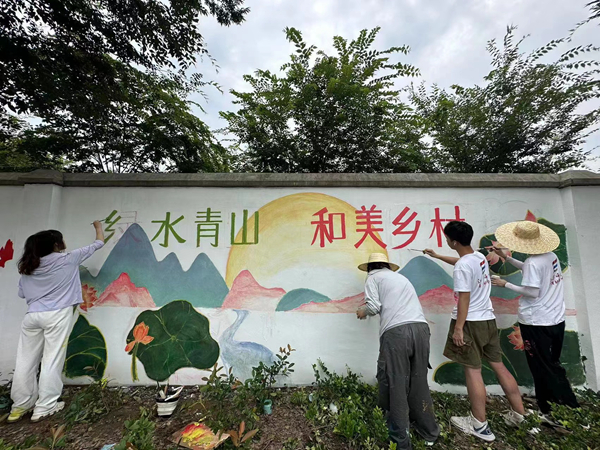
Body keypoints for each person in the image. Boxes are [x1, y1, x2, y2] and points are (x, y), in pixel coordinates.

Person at [424, 221, 526, 443]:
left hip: (470, 323)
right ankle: (519, 414)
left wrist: (458, 328)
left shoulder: (463, 266)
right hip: (488, 320)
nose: (446, 241)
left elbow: (464, 298)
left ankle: (479, 424)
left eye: (447, 239)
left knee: (473, 371)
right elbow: (462, 262)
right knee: (499, 366)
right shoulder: (478, 257)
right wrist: (437, 256)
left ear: (454, 242)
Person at [8, 222, 105, 423]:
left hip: (32, 316)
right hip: (57, 315)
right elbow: (98, 243)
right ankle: (45, 406)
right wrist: (98, 227)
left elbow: (22, 293)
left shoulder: (29, 265)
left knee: (25, 361)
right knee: (52, 359)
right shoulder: (68, 259)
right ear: (55, 244)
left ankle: (20, 406)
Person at [490, 220, 579, 420]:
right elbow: (531, 270)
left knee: (541, 366)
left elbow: (532, 291)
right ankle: (556, 404)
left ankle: (558, 406)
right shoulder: (550, 256)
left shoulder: (533, 262)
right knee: (551, 363)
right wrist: (506, 257)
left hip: (537, 321)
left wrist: (505, 284)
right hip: (555, 319)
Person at [356, 252, 440, 449]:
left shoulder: (373, 277)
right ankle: (429, 432)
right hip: (421, 329)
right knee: (418, 382)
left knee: (397, 383)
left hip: (397, 334)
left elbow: (373, 306)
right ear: (387, 266)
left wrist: (362, 311)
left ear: (370, 268)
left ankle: (400, 440)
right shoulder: (400, 278)